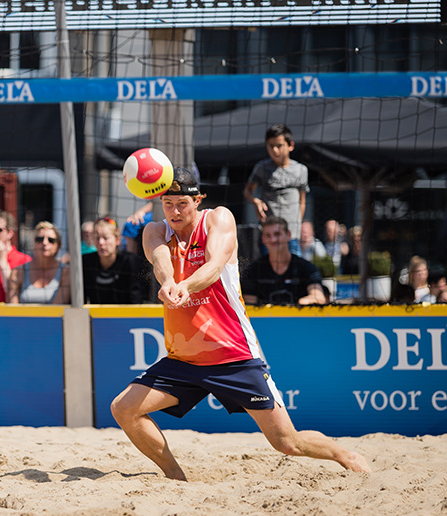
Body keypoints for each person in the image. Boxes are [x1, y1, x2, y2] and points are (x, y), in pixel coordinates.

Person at [109, 168, 370, 481]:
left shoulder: (218, 219)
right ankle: (175, 477)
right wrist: (167, 281)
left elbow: (214, 265)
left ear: (198, 200)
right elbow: (161, 260)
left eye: (182, 203)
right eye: (168, 203)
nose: (175, 211)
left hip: (233, 355)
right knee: (124, 409)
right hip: (184, 359)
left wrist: (184, 286)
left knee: (286, 442)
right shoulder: (155, 230)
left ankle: (343, 453)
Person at [243, 124, 309, 256]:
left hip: (291, 235)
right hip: (269, 234)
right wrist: (255, 201)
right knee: (268, 272)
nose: (275, 150)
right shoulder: (262, 168)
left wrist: (297, 223)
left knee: (294, 272)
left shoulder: (301, 170)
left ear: (290, 146)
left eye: (279, 146)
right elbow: (247, 191)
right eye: (270, 146)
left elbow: (302, 200)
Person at [242, 217, 327, 306]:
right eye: (268, 235)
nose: (273, 239)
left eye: (277, 234)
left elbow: (319, 298)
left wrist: (296, 306)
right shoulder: (253, 270)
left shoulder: (307, 268)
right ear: (263, 239)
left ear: (288, 235)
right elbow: (248, 305)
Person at [82, 217, 146, 304]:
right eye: (97, 238)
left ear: (117, 240)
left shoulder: (131, 261)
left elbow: (136, 300)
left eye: (105, 238)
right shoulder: (85, 262)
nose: (101, 242)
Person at [8, 221, 71, 304]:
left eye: (51, 240)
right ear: (34, 244)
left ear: (58, 246)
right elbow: (12, 311)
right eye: (39, 239)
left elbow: (56, 310)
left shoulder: (66, 272)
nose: (44, 243)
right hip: (23, 317)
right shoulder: (18, 272)